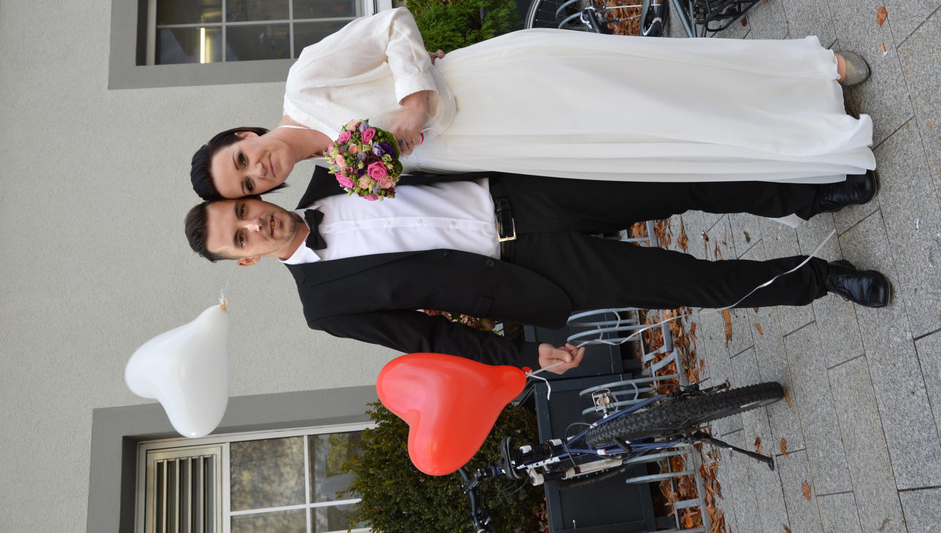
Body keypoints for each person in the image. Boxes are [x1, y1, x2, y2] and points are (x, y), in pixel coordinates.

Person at [184, 166, 888, 372]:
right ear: (244, 259)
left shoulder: (333, 166)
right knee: (691, 283)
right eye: (240, 236)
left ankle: (810, 195)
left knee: (681, 183)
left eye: (244, 208)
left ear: (254, 196)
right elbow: (429, 338)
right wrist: (522, 357)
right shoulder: (325, 307)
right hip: (536, 270)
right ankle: (822, 279)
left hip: (527, 193)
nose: (256, 223)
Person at [190, 7, 876, 201]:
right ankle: (808, 129)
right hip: (509, 142)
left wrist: (413, 102)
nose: (260, 170)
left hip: (496, 84)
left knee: (651, 86)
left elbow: (392, 25)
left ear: (246, 134)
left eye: (243, 160)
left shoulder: (306, 82)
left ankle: (810, 72)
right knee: (650, 135)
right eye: (249, 185)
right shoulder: (337, 177)